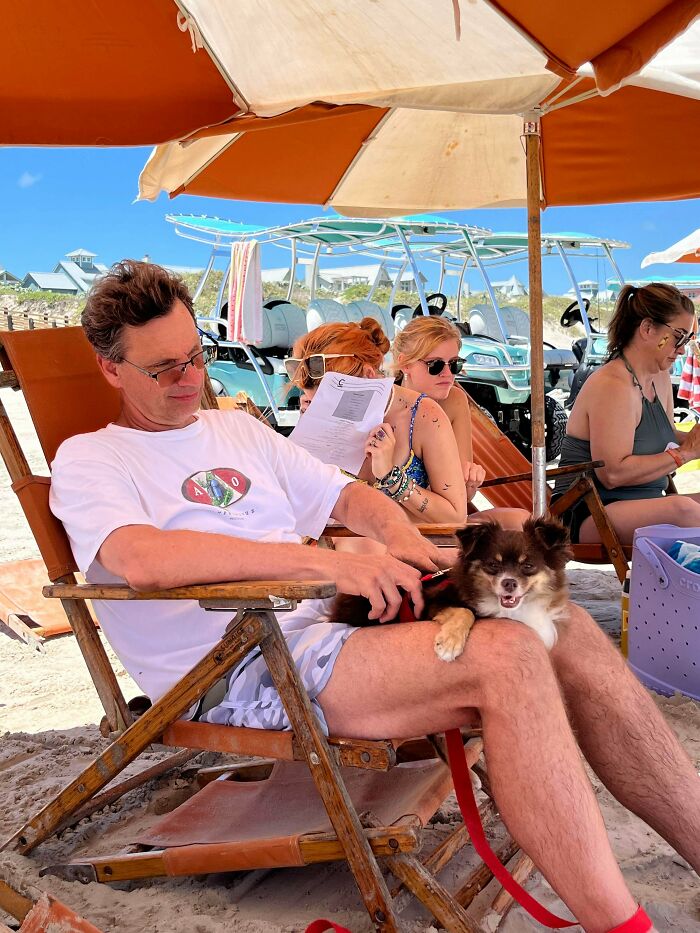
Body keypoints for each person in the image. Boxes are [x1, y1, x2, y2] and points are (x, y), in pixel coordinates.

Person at [50, 262, 700, 933]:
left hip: (326, 627)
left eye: (195, 356)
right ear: (110, 368)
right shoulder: (92, 458)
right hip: (241, 665)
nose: (190, 378)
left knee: (564, 625)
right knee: (507, 656)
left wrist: (402, 542)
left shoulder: (237, 432)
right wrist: (323, 565)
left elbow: (347, 496)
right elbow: (141, 558)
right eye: (163, 369)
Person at [553, 283, 700, 544]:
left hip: (642, 503)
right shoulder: (612, 386)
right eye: (679, 337)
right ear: (647, 328)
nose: (681, 349)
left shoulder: (659, 377)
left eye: (687, 340)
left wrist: (692, 439)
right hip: (589, 511)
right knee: (684, 510)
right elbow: (613, 474)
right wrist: (685, 453)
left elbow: (662, 435)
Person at [287, 317, 467, 525]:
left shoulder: (423, 415)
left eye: (331, 400)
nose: (324, 411)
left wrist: (391, 477)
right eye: (315, 403)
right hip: (337, 542)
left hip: (406, 542)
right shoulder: (316, 419)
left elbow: (455, 515)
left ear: (368, 375)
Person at [393, 314, 529, 529]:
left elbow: (463, 498)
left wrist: (470, 483)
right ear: (405, 364)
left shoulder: (454, 401)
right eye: (435, 365)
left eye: (455, 364)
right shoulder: (387, 406)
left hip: (444, 522)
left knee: (522, 521)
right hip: (396, 526)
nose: (448, 374)